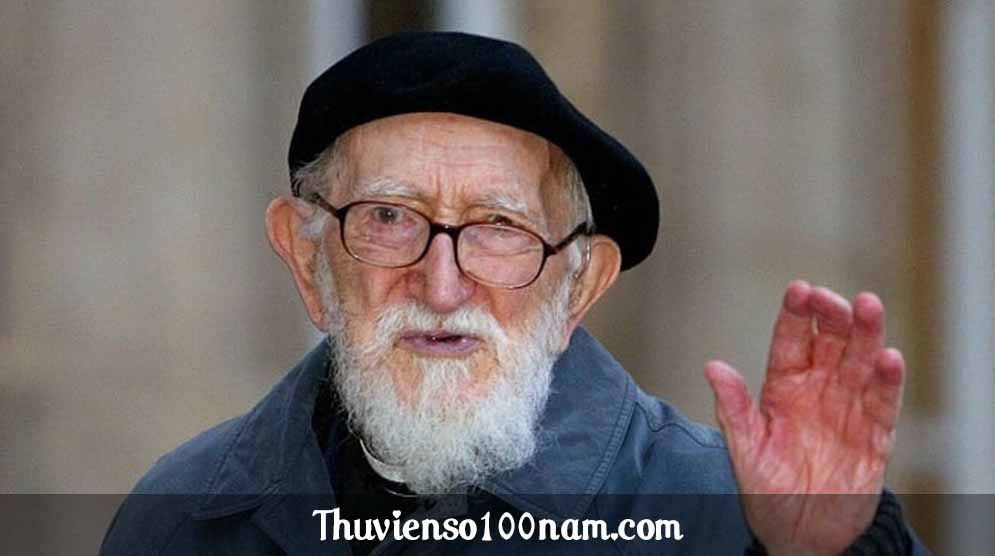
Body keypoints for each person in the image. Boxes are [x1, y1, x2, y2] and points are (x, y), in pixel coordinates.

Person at [100, 31, 929, 555]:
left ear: (579, 285)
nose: (441, 284)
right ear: (306, 257)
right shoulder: (183, 516)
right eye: (388, 217)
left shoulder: (722, 514)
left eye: (499, 227)